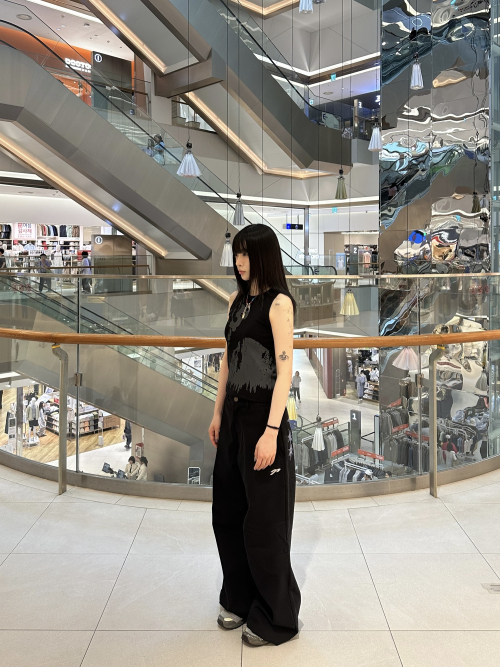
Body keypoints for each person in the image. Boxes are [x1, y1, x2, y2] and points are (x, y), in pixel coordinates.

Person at [209, 223, 301, 648]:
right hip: (232, 417)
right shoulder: (236, 301)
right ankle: (240, 598)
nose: (239, 261)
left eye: (246, 253)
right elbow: (228, 360)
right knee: (228, 513)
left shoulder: (279, 304)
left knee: (265, 522)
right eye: (237, 253)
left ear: (264, 256)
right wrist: (217, 412)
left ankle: (276, 616)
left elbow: (285, 371)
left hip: (264, 419)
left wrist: (271, 431)